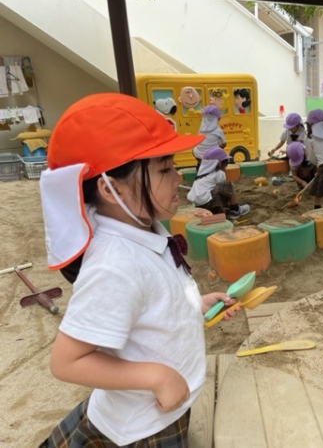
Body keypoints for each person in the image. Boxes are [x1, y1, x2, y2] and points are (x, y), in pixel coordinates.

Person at [37, 93, 239, 447]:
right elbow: (66, 361)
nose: (178, 177)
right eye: (164, 169)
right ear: (111, 188)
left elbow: (154, 297)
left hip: (163, 407)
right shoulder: (114, 264)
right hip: (139, 429)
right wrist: (155, 375)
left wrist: (197, 303)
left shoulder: (144, 227)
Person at [187, 146, 251, 219]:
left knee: (217, 191)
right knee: (228, 185)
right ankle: (235, 210)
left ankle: (220, 211)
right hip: (207, 204)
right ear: (220, 163)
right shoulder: (219, 173)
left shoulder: (201, 174)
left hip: (197, 206)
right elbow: (226, 192)